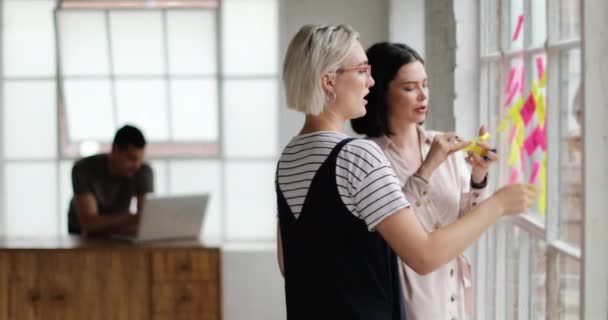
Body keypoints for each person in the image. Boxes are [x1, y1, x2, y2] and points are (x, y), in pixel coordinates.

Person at [277, 24, 536, 320]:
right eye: (362, 71)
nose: (371, 83)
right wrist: (499, 204)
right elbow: (424, 257)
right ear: (328, 81)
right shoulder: (357, 155)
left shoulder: (290, 156)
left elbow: (290, 265)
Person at [350, 42, 499, 319]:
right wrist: (428, 166)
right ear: (382, 92)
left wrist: (478, 179)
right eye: (409, 88)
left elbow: (467, 225)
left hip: (455, 301)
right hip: (409, 304)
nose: (423, 95)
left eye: (425, 85)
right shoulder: (367, 157)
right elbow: (388, 231)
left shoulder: (444, 144)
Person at [67, 124, 154, 237]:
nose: (136, 165)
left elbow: (146, 221)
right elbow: (88, 225)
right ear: (114, 150)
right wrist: (131, 218)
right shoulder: (83, 169)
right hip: (79, 235)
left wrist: (110, 223)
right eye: (131, 159)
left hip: (119, 235)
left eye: (139, 160)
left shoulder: (142, 170)